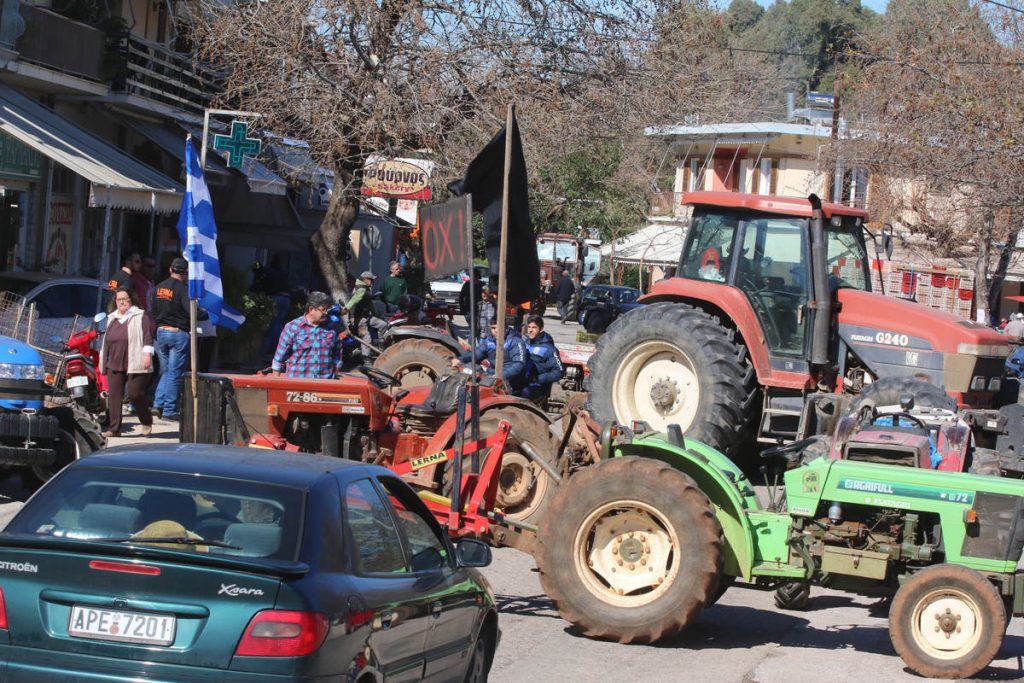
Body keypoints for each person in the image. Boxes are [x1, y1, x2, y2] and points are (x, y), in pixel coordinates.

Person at [99, 287, 154, 438]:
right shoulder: (112, 317)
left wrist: (147, 354)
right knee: (115, 396)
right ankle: (114, 429)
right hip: (114, 360)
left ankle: (146, 420)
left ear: (131, 300)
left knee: (135, 394)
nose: (121, 301)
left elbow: (148, 336)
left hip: (135, 359)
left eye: (124, 298)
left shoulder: (140, 315)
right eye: (119, 299)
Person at [151, 258, 193, 421]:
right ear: (185, 273)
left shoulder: (158, 287)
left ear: (170, 270)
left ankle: (157, 405)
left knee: (167, 370)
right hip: (177, 333)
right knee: (174, 372)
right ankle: (169, 409)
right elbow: (192, 312)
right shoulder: (183, 290)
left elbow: (153, 310)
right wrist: (207, 314)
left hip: (161, 332)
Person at [272, 291, 343, 378]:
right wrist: (276, 385)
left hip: (325, 383)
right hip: (298, 383)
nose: (326, 313)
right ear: (311, 309)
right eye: (323, 309)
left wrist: (335, 375)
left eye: (327, 309)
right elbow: (279, 359)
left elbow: (337, 355)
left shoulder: (331, 328)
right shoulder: (292, 327)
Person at [450, 317, 529, 393]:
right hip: (492, 376)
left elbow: (519, 365)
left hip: (511, 379)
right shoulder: (489, 341)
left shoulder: (515, 341)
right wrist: (460, 359)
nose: (495, 331)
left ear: (505, 327)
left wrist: (502, 375)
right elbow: (476, 354)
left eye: (498, 327)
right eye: (493, 328)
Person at [520, 314, 563, 401]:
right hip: (520, 381)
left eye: (534, 327)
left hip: (536, 386)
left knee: (524, 393)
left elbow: (558, 372)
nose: (530, 330)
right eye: (529, 327)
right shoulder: (523, 343)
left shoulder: (549, 348)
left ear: (541, 329)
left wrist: (537, 379)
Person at [345, 271, 388, 344]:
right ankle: (365, 355)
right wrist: (345, 309)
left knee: (383, 324)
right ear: (365, 279)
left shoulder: (366, 288)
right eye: (371, 280)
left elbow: (369, 303)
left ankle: (380, 342)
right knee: (366, 339)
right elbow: (354, 300)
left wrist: (375, 314)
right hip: (359, 318)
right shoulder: (361, 289)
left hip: (367, 316)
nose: (373, 281)